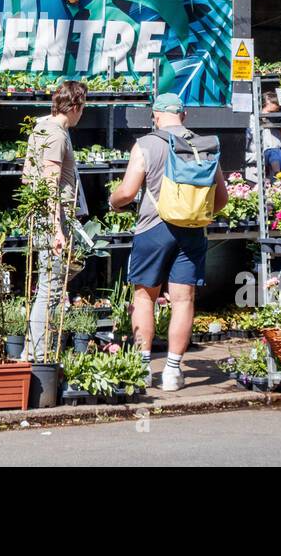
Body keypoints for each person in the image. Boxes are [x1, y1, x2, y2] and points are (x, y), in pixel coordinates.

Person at [108, 93, 227, 391]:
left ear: (156, 116)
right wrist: (194, 212)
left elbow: (128, 190)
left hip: (153, 229)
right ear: (183, 116)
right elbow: (222, 198)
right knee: (184, 300)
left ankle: (144, 368)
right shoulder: (205, 145)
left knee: (144, 297)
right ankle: (173, 371)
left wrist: (113, 201)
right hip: (192, 231)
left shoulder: (146, 144)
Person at [21, 80, 87, 361]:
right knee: (50, 288)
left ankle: (35, 348)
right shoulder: (56, 135)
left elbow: (27, 178)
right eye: (82, 108)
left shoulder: (41, 127)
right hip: (53, 220)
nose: (82, 114)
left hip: (46, 218)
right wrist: (57, 228)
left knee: (53, 282)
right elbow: (49, 183)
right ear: (74, 106)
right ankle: (36, 353)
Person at [245, 90, 281, 182]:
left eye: (276, 112)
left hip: (276, 173)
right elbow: (241, 155)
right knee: (274, 152)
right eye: (270, 112)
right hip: (256, 173)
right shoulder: (249, 125)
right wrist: (259, 156)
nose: (272, 116)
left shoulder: (275, 124)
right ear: (259, 108)